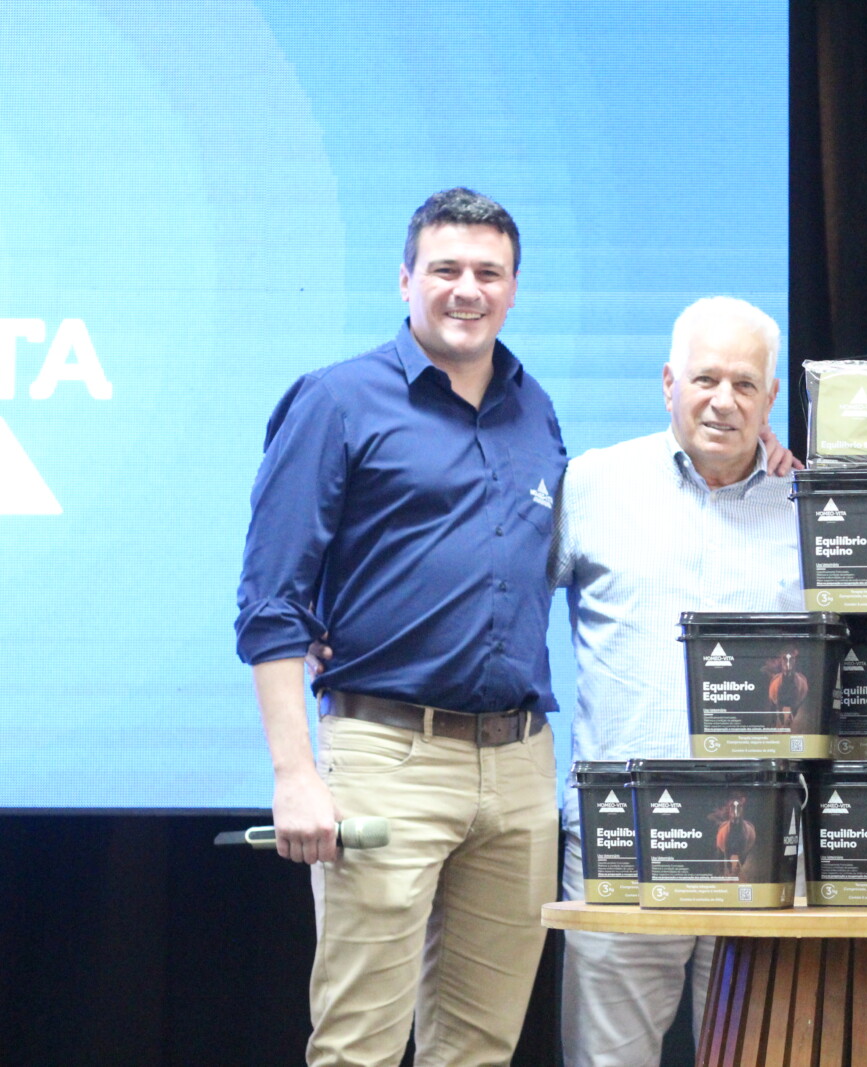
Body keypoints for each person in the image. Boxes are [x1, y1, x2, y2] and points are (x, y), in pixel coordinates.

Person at [235, 188, 564, 1066]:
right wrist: (295, 774)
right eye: (446, 268)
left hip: (522, 767)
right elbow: (270, 603)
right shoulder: (336, 400)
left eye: (488, 271)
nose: (468, 288)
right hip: (388, 759)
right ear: (406, 280)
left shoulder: (535, 408)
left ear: (513, 288)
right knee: (359, 1046)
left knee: (480, 1048)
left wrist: (760, 463)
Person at [550, 296, 801, 1067]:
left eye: (745, 384)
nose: (724, 401)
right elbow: (497, 598)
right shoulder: (591, 484)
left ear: (771, 397)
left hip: (765, 853)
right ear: (668, 384)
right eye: (705, 379)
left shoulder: (809, 506)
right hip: (623, 847)